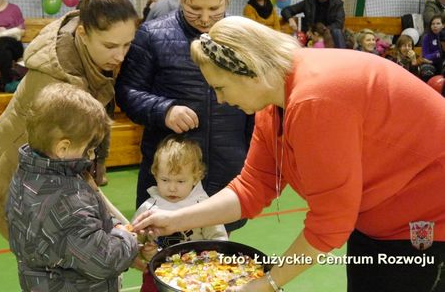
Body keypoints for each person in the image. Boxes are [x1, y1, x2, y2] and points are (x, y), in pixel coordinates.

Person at [133, 16, 445, 292]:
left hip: (426, 221)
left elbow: (330, 223)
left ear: (250, 73)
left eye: (222, 88)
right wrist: (174, 219)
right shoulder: (273, 102)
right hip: (378, 220)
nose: (220, 99)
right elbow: (252, 187)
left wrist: (267, 283)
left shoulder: (315, 100)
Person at [0, 0, 139, 239]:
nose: (120, 55)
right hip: (20, 175)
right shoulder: (57, 85)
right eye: (110, 46)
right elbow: (70, 171)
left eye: (127, 44)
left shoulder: (84, 40)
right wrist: (124, 234)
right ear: (83, 33)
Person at [115, 0, 252, 233]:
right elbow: (126, 92)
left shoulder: (244, 37)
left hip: (227, 167)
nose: (205, 18)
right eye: (195, 9)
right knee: (163, 253)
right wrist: (164, 110)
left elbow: (257, 107)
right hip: (170, 174)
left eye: (214, 9)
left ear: (227, 0)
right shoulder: (151, 34)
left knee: (216, 253)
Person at [6, 83, 139, 291]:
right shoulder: (66, 201)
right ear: (63, 148)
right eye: (89, 149)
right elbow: (102, 260)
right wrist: (126, 237)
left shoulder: (27, 174)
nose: (92, 156)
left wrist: (108, 226)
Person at [133, 135, 228, 291]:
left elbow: (219, 239)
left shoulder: (203, 206)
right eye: (165, 180)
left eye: (180, 181)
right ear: (155, 174)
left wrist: (212, 262)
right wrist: (144, 252)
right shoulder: (148, 208)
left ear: (196, 178)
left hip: (196, 276)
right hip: (156, 275)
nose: (172, 188)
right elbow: (134, 242)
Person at [280, 0, 345, 48]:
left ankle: (342, 56)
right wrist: (290, 19)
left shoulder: (336, 2)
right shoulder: (309, 1)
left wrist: (322, 32)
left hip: (328, 34)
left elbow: (339, 23)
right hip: (311, 35)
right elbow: (286, 10)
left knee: (337, 32)